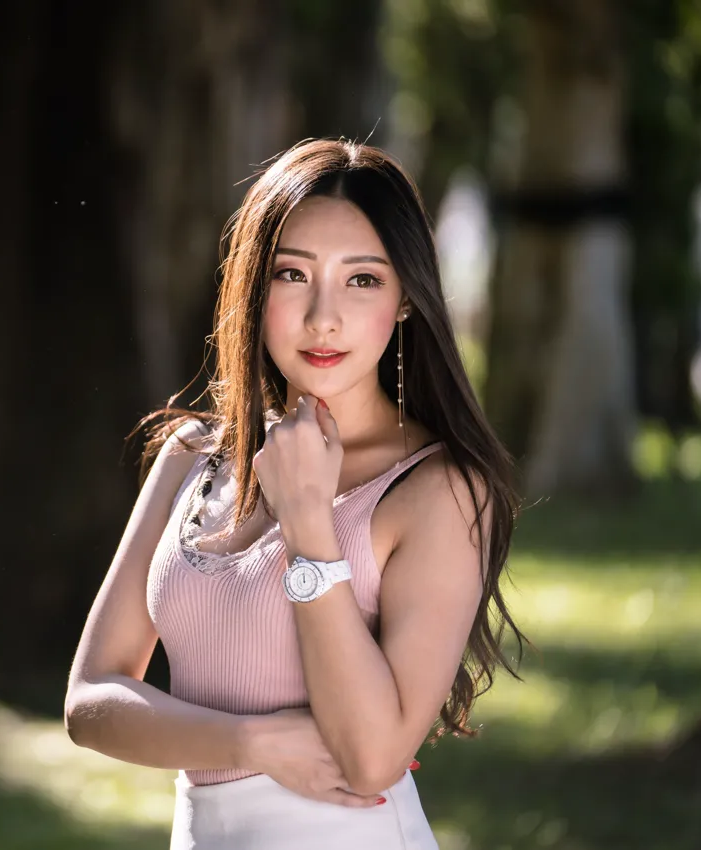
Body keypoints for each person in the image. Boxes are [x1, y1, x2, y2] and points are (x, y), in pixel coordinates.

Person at [63, 138, 527, 849]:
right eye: (292, 274)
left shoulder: (439, 491)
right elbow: (90, 699)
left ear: (406, 298)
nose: (323, 317)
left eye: (362, 280)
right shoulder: (190, 456)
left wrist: (310, 523)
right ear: (255, 287)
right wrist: (251, 743)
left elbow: (371, 759)